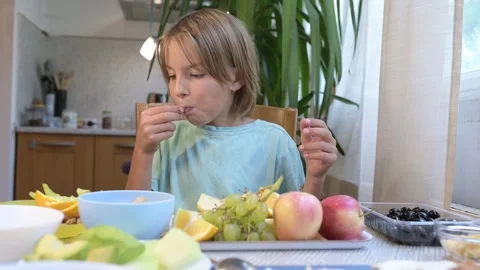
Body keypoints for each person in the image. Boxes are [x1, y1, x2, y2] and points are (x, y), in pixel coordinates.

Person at [126, 8, 338, 210]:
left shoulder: (276, 142)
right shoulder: (166, 139)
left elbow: (300, 220)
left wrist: (316, 177)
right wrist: (143, 151)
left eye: (196, 74)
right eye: (172, 76)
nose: (178, 89)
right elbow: (133, 215)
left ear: (236, 78)